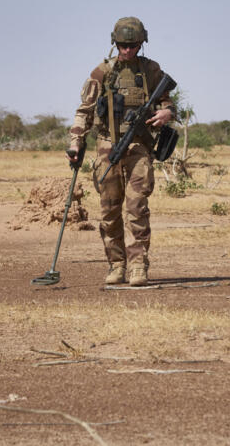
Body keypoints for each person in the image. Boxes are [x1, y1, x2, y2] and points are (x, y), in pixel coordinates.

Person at [66, 17, 176, 286]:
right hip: (107, 147)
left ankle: (138, 264)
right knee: (109, 210)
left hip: (139, 147)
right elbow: (85, 111)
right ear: (114, 43)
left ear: (141, 44)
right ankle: (116, 264)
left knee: (137, 207)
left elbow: (168, 103)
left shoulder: (150, 70)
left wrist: (166, 113)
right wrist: (75, 141)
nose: (127, 50)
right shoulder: (102, 72)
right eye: (123, 45)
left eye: (133, 45)